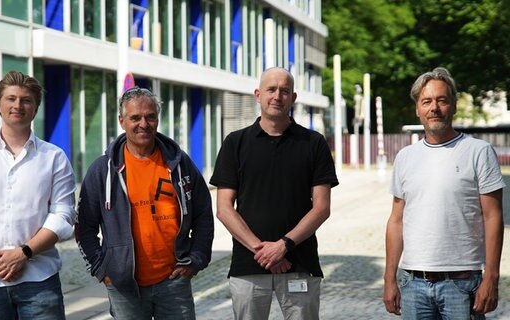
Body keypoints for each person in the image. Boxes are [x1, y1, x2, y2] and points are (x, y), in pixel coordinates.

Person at [209, 67, 339, 320]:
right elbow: (224, 209)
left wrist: (284, 245)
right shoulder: (235, 143)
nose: (277, 96)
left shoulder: (313, 143)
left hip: (299, 263)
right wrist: (265, 252)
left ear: (293, 97)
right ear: (258, 94)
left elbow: (321, 207)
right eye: (271, 89)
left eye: (284, 91)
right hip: (248, 266)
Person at [75, 87, 214, 320]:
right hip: (124, 287)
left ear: (157, 120)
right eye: (135, 118)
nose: (144, 123)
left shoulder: (179, 164)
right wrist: (102, 270)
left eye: (150, 116)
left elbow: (203, 215)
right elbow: (84, 227)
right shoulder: (102, 170)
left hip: (174, 281)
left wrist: (196, 259)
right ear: (122, 121)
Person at [0, 71, 77, 319]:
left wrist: (23, 254)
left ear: (36, 108)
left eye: (26, 100)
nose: (18, 105)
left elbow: (63, 215)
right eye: (11, 98)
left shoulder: (54, 158)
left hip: (39, 281)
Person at [383, 67, 505, 319]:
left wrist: (491, 277)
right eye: (426, 101)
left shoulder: (479, 152)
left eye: (442, 100)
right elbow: (396, 220)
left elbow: (493, 218)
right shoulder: (405, 157)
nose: (434, 108)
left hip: (462, 285)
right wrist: (389, 278)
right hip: (413, 284)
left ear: (453, 105)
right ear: (417, 109)